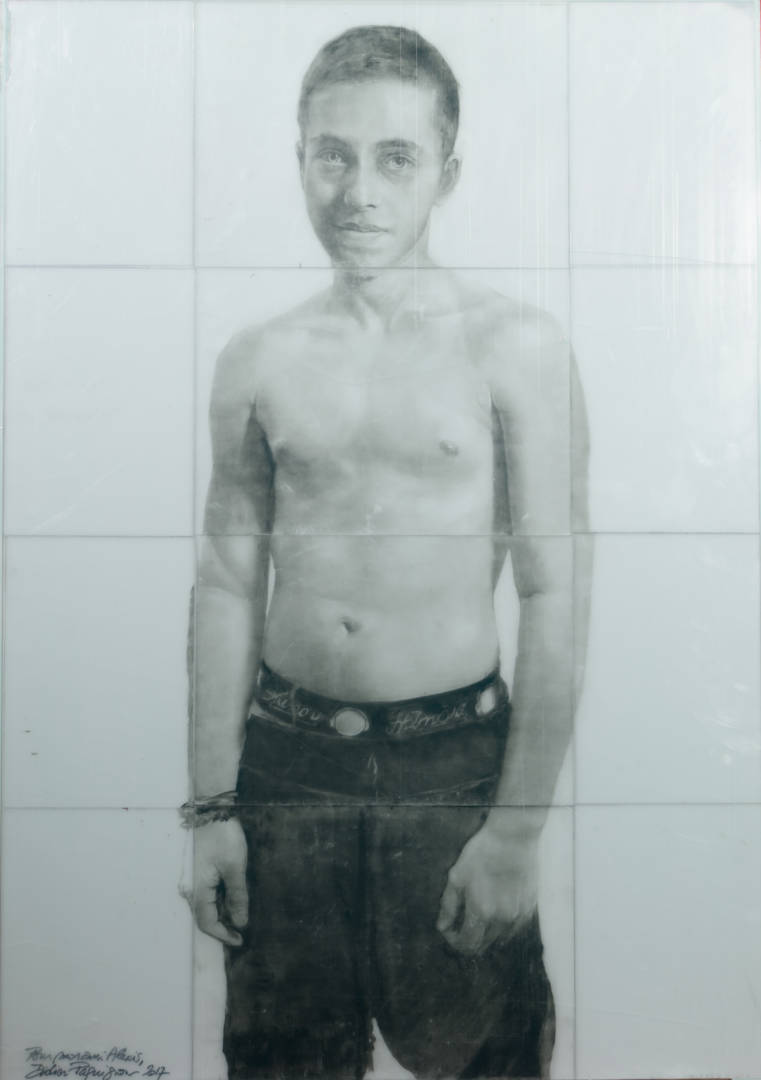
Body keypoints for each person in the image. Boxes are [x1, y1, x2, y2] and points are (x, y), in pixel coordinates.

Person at [185, 24, 591, 1080]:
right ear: (300, 160)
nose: (357, 191)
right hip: (286, 770)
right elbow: (226, 584)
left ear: (444, 174)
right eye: (333, 155)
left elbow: (554, 593)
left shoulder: (515, 347)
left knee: (487, 1060)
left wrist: (514, 832)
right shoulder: (257, 358)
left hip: (450, 771)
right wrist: (212, 810)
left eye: (394, 158)